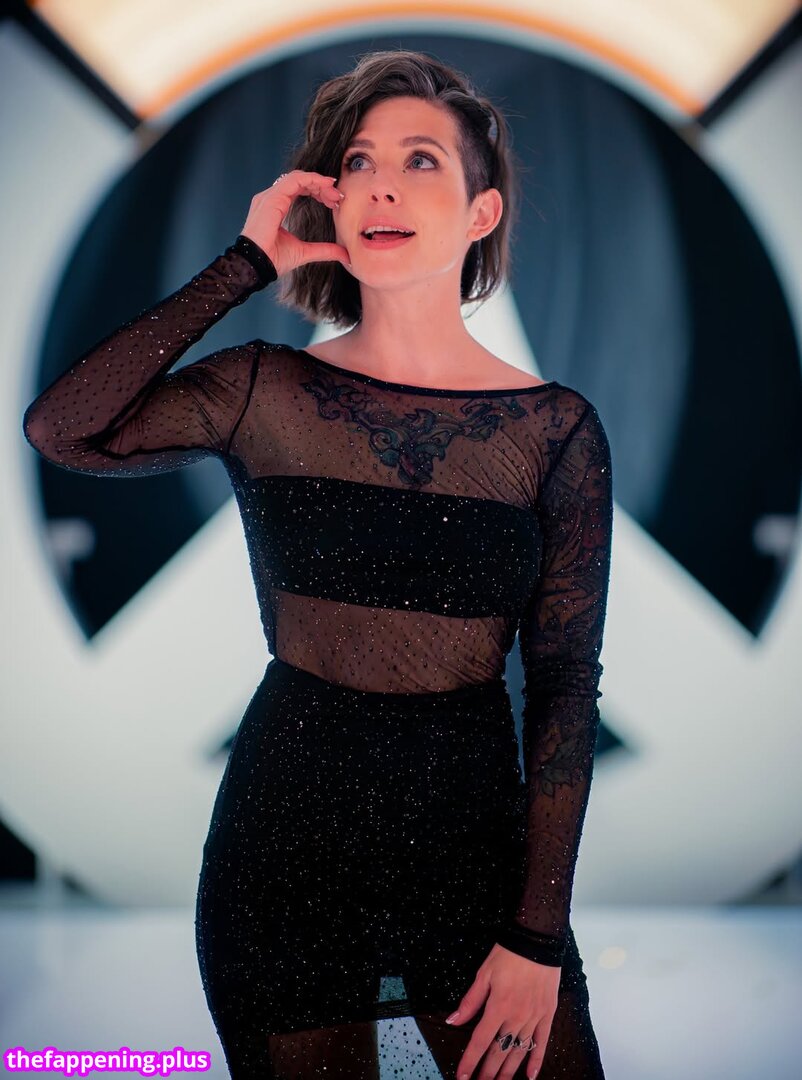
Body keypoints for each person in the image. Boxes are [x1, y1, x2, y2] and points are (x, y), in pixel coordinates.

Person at [22, 48, 612, 1080]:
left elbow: (563, 687)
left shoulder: (554, 430)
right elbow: (63, 429)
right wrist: (244, 264)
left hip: (471, 856)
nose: (380, 184)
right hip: (282, 854)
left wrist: (538, 935)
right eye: (358, 162)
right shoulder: (265, 389)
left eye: (420, 160)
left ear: (481, 211)